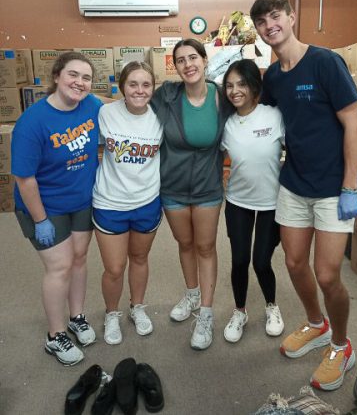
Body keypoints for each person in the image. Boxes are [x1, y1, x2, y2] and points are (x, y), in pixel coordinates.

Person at [250, 0, 357, 391]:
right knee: (295, 264)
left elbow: (354, 123)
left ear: (292, 17)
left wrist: (351, 186)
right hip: (295, 184)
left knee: (328, 273)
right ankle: (316, 323)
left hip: (334, 187)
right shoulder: (275, 77)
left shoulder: (326, 62)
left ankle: (340, 344)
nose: (270, 26)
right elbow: (264, 122)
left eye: (275, 16)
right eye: (262, 22)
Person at [11, 51, 102, 366]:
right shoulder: (32, 122)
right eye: (73, 75)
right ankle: (55, 335)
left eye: (86, 78)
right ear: (56, 77)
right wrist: (40, 220)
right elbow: (24, 180)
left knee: (79, 259)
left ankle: (76, 316)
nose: (79, 82)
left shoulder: (91, 104)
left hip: (81, 200)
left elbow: (117, 107)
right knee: (59, 266)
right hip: (43, 206)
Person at [151, 38, 232, 350]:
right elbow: (134, 102)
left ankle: (207, 312)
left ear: (204, 59)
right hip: (171, 186)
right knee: (185, 244)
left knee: (206, 246)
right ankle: (192, 294)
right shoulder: (168, 95)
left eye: (193, 57)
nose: (188, 64)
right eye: (181, 60)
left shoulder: (220, 97)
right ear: (176, 66)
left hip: (207, 187)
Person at [92, 61, 163, 345]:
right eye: (133, 84)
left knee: (140, 259)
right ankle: (112, 313)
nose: (139, 90)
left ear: (153, 88)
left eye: (146, 85)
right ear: (122, 86)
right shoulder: (105, 112)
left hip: (147, 201)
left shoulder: (160, 115)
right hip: (110, 203)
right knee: (114, 268)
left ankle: (137, 307)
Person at [221, 59, 285, 343]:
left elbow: (298, 149)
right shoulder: (227, 124)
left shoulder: (273, 116)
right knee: (239, 261)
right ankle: (240, 311)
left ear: (254, 87)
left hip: (272, 203)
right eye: (230, 85)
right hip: (237, 202)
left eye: (241, 84)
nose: (235, 91)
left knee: (261, 261)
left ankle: (272, 306)